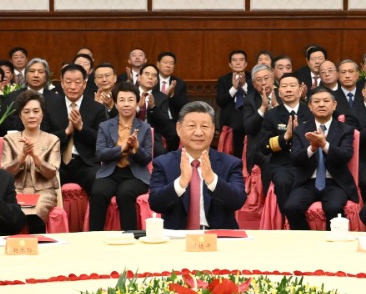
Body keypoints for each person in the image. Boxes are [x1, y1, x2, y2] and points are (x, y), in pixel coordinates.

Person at [148, 101, 246, 229]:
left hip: (218, 236)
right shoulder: (163, 163)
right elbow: (155, 204)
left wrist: (212, 180)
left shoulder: (231, 164)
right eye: (192, 126)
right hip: (178, 237)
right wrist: (180, 183)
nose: (198, 132)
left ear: (213, 129)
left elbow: (238, 201)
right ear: (178, 128)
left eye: (204, 126)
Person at [280, 86, 357, 230]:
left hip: (335, 182)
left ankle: (332, 241)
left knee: (334, 208)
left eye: (326, 101)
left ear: (334, 105)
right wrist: (312, 148)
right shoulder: (301, 130)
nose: (321, 104)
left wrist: (324, 145)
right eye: (316, 101)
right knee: (291, 207)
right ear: (310, 106)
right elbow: (295, 158)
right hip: (307, 182)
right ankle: (306, 240)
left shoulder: (345, 129)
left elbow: (345, 155)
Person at [91, 84, 153, 231]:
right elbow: (100, 153)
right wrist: (121, 149)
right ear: (115, 103)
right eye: (122, 100)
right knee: (98, 193)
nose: (126, 104)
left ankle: (130, 237)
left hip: (135, 175)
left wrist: (136, 148)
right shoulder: (105, 126)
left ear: (137, 102)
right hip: (110, 173)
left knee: (125, 194)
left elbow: (147, 159)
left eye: (130, 100)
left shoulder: (144, 128)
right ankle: (94, 236)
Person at [0, 91, 61, 234]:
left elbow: (51, 172)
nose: (31, 115)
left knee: (37, 209)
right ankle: (14, 244)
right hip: (16, 190)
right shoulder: (10, 139)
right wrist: (23, 155)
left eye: (36, 111)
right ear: (20, 116)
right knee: (14, 209)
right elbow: (6, 172)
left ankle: (37, 243)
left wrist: (34, 155)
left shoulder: (52, 140)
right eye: (26, 112)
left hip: (44, 191)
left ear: (42, 114)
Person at [255, 72, 310, 203]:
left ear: (300, 90)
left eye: (292, 86)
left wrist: (300, 135)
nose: (288, 90)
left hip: (308, 163)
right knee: (283, 182)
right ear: (279, 92)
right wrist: (285, 137)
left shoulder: (310, 113)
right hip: (282, 164)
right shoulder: (271, 115)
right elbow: (264, 147)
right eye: (284, 86)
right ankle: (287, 214)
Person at [53, 64, 106, 193]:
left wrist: (81, 128)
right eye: (68, 82)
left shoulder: (97, 108)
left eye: (77, 82)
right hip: (57, 163)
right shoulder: (50, 106)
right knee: (45, 180)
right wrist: (66, 132)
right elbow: (44, 137)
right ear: (62, 83)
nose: (73, 87)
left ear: (84, 84)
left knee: (100, 183)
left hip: (86, 164)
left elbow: (101, 140)